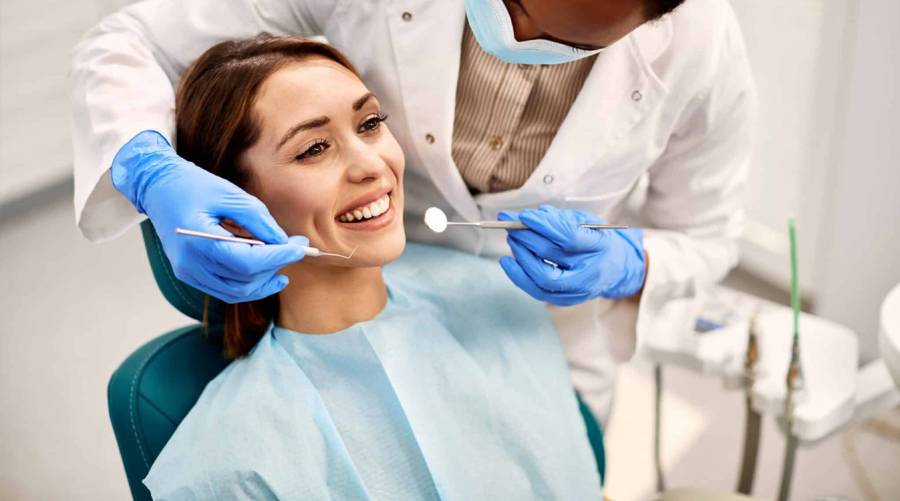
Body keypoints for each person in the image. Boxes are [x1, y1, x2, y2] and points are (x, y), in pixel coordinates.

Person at [70, 0, 756, 422]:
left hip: (540, 349)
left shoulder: (701, 48)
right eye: (313, 146)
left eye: (373, 122)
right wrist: (150, 170)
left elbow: (708, 233)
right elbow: (128, 44)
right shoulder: (248, 447)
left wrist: (632, 261)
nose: (517, 35)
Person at [142, 35, 601, 499]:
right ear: (232, 211)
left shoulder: (495, 301)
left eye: (370, 123)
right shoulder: (231, 465)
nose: (371, 165)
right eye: (313, 148)